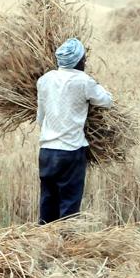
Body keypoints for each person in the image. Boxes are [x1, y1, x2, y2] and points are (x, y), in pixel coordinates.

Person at [36, 38, 113, 225]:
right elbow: (107, 101)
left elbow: (40, 117)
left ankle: (43, 243)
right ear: (79, 61)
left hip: (46, 151)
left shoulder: (44, 80)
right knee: (69, 206)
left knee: (48, 201)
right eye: (84, 58)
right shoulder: (84, 81)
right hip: (71, 151)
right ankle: (67, 245)